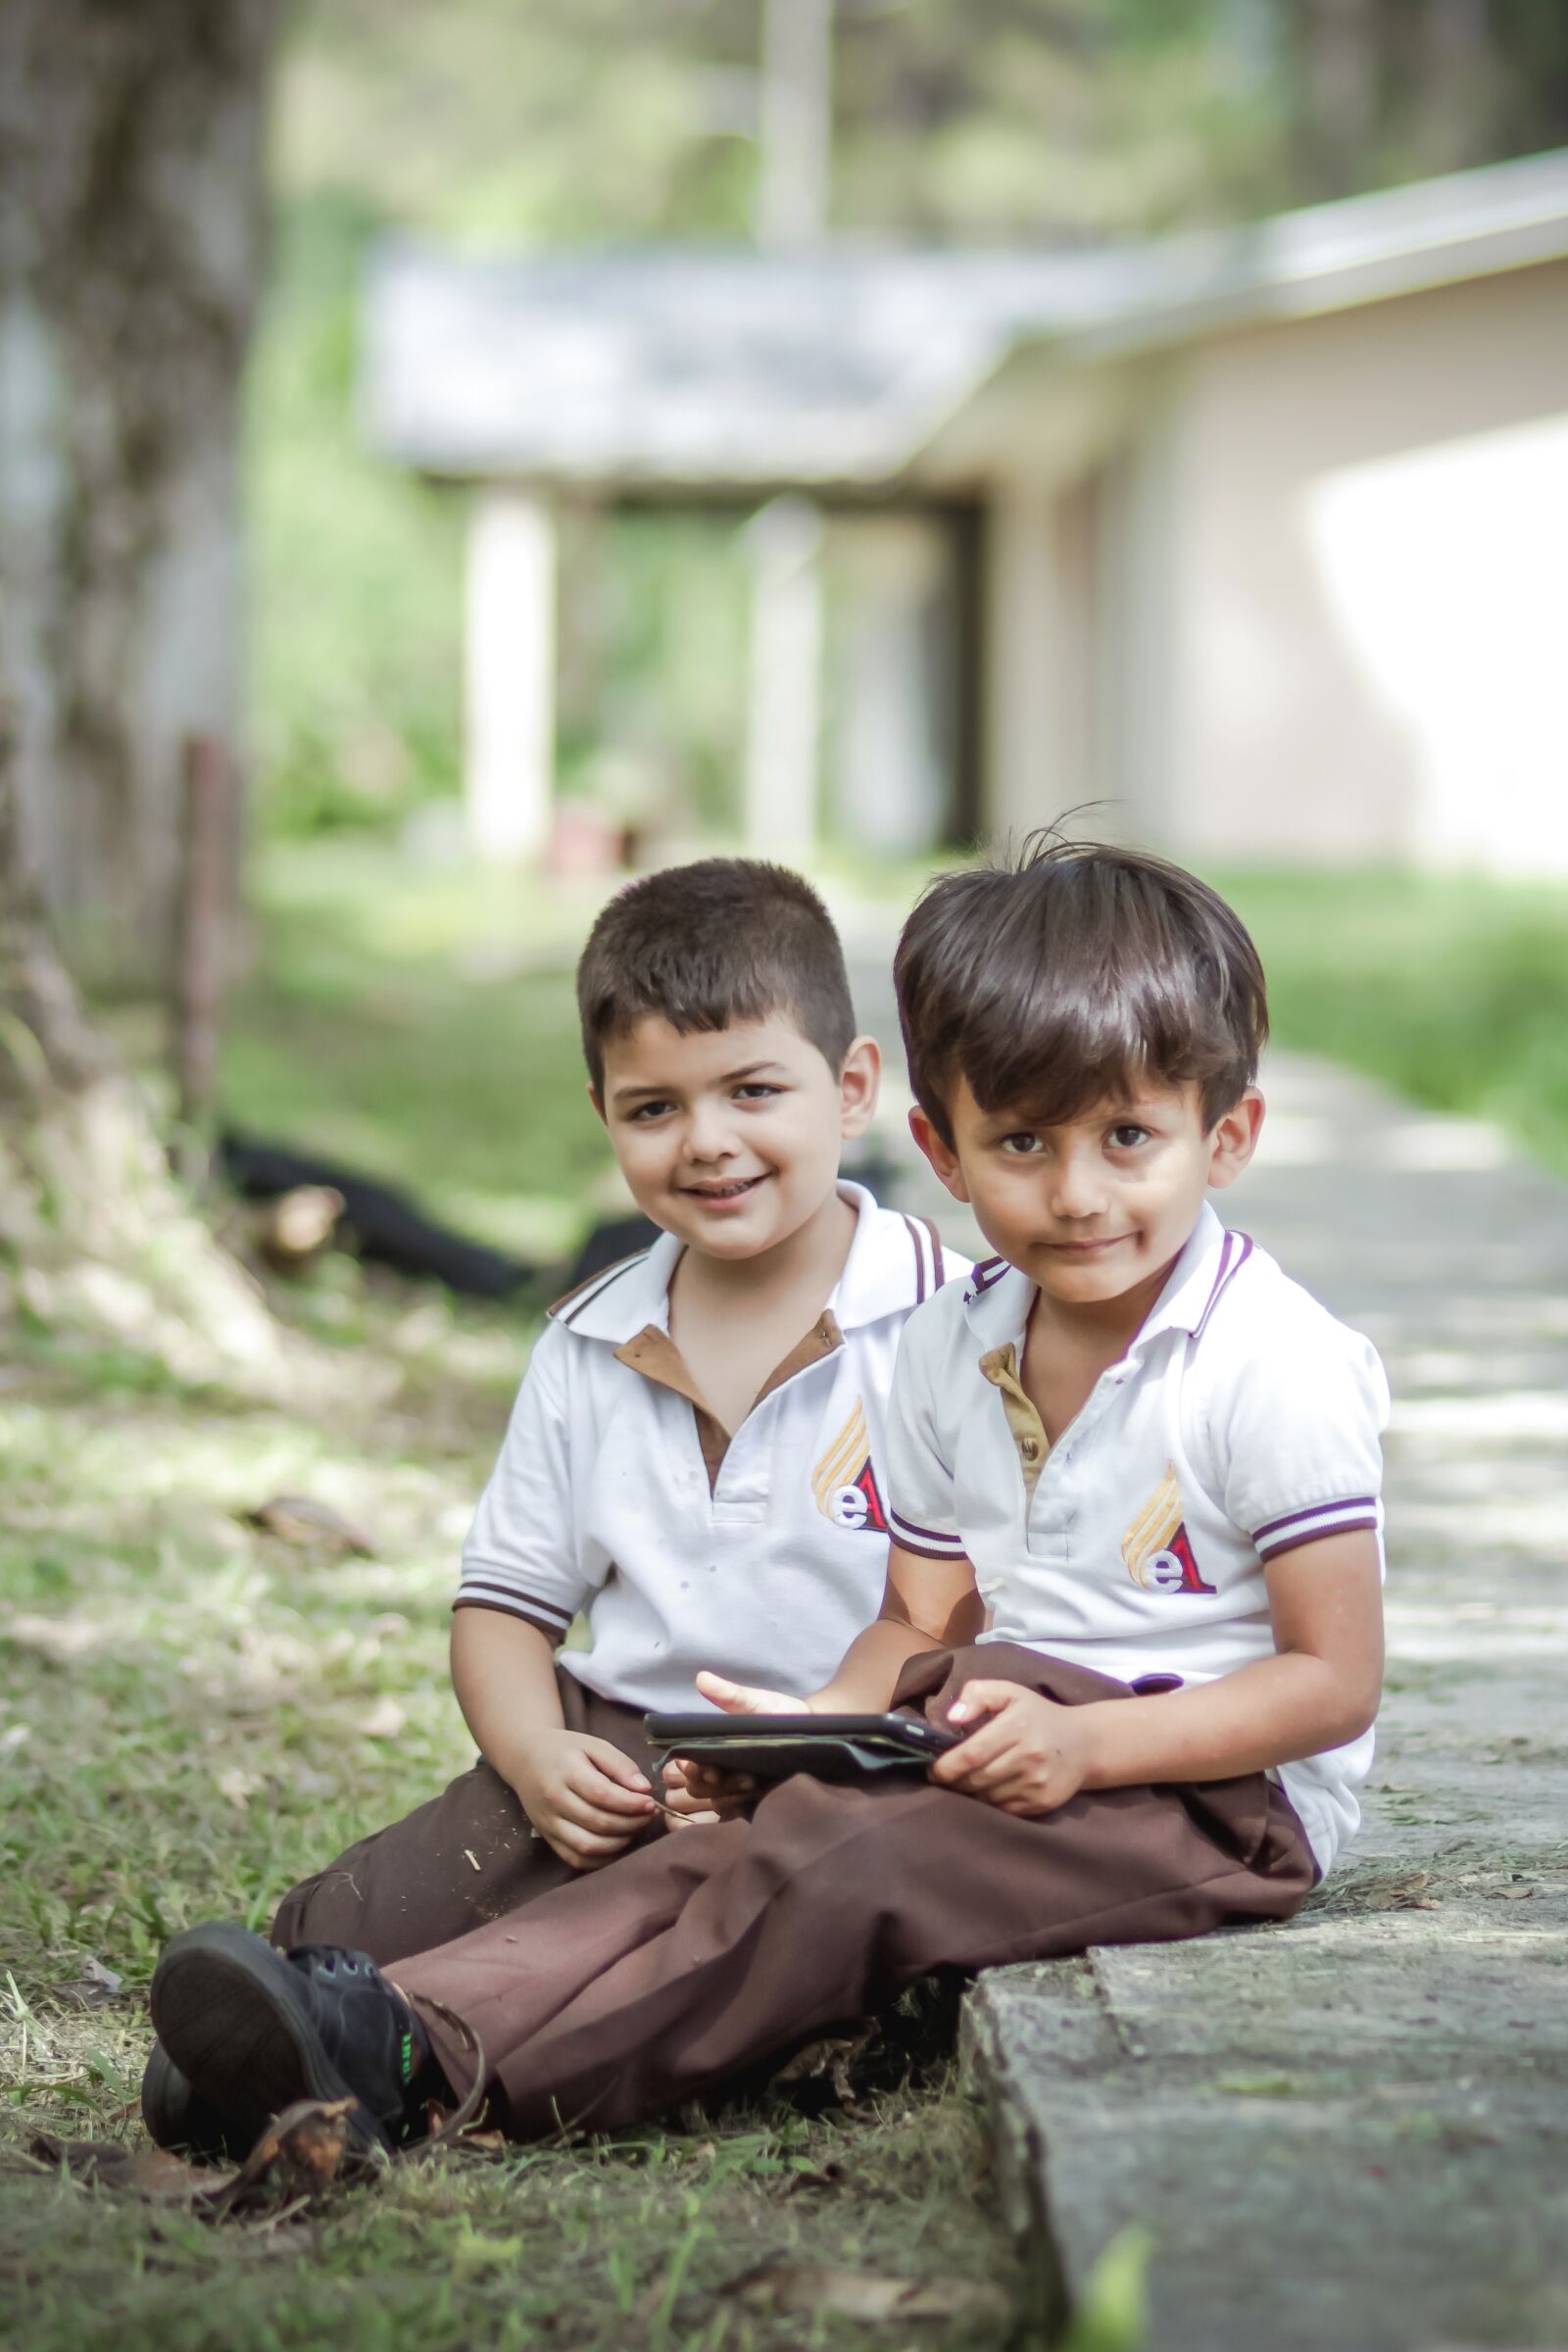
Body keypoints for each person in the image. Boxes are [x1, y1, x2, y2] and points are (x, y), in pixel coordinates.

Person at [145, 838, 1389, 2164]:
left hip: (1209, 1788)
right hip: (991, 1729)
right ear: (947, 1150)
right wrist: (807, 1738)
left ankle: (420, 2057)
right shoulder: (950, 1350)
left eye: (1128, 1137)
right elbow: (915, 1624)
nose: (1077, 1193)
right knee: (769, 1836)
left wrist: (1090, 1750)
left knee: (833, 1870)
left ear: (1229, 1133)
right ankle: (333, 2018)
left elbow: (1333, 1684)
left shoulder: (1274, 1366)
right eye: (1024, 1142)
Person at [140, 856, 964, 2153]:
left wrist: (816, 1736)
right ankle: (296, 2021)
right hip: (623, 1750)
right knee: (339, 1923)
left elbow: (956, 1609)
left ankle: (392, 2053)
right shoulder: (588, 1341)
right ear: (604, 1114)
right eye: (655, 1108)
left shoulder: (951, 1323)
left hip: (840, 1765)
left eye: (756, 1091)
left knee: (698, 1923)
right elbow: (505, 1611)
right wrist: (536, 1761)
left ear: (852, 1087)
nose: (709, 1142)